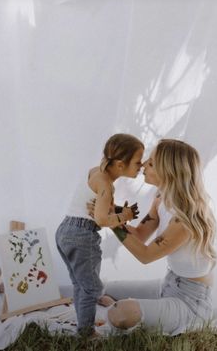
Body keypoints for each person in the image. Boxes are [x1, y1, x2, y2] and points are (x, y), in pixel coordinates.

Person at [88, 139, 217, 335]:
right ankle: (114, 305)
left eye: (152, 163)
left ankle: (115, 309)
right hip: (168, 284)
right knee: (103, 288)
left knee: (121, 312)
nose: (143, 165)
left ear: (169, 171)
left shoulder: (185, 219)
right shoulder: (161, 199)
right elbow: (139, 235)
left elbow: (145, 255)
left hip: (190, 303)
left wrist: (110, 221)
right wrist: (112, 211)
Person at [55, 133, 144, 336]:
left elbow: (100, 208)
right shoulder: (105, 184)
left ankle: (82, 324)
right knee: (91, 288)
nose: (141, 166)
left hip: (65, 230)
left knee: (80, 284)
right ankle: (86, 333)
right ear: (121, 164)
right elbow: (101, 220)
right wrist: (125, 216)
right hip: (82, 236)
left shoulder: (96, 172)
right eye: (138, 163)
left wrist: (121, 211)